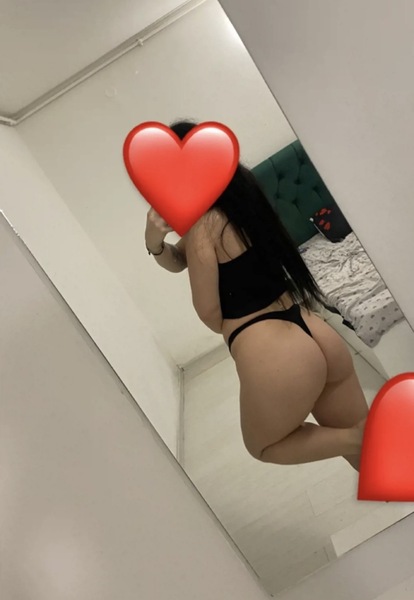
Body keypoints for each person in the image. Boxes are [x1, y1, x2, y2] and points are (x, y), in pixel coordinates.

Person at [144, 120, 368, 471]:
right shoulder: (243, 202)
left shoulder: (203, 227)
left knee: (266, 446)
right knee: (372, 462)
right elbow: (178, 260)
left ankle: (360, 438)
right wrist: (154, 243)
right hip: (314, 330)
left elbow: (209, 313)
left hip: (273, 351)